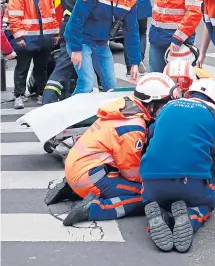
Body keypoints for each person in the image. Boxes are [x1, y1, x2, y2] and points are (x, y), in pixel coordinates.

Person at [45, 73, 180, 226]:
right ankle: (94, 209)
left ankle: (72, 189)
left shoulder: (126, 106)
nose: (167, 109)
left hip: (78, 166)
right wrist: (156, 181)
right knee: (148, 194)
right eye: (165, 104)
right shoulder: (133, 127)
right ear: (152, 103)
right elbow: (131, 173)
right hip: (90, 177)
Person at [140, 78, 215, 253]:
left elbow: (151, 139)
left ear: (190, 93)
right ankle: (191, 217)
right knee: (207, 203)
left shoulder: (166, 108)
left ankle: (159, 216)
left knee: (155, 199)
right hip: (190, 183)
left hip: (152, 180)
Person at [64, 0, 146, 94]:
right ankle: (72, 113)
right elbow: (76, 19)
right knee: (86, 84)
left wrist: (134, 62)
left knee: (111, 86)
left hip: (101, 44)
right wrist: (76, 49)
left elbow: (132, 32)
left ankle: (104, 116)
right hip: (82, 42)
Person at [42, 0, 97, 104]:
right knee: (66, 67)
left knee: (76, 70)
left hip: (71, 26)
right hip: (75, 28)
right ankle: (50, 102)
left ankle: (63, 100)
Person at [7, 0, 59, 109]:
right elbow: (14, 18)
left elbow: (52, 15)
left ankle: (41, 94)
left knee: (41, 68)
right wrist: (19, 37)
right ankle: (19, 95)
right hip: (26, 39)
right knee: (22, 68)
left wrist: (55, 33)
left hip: (44, 39)